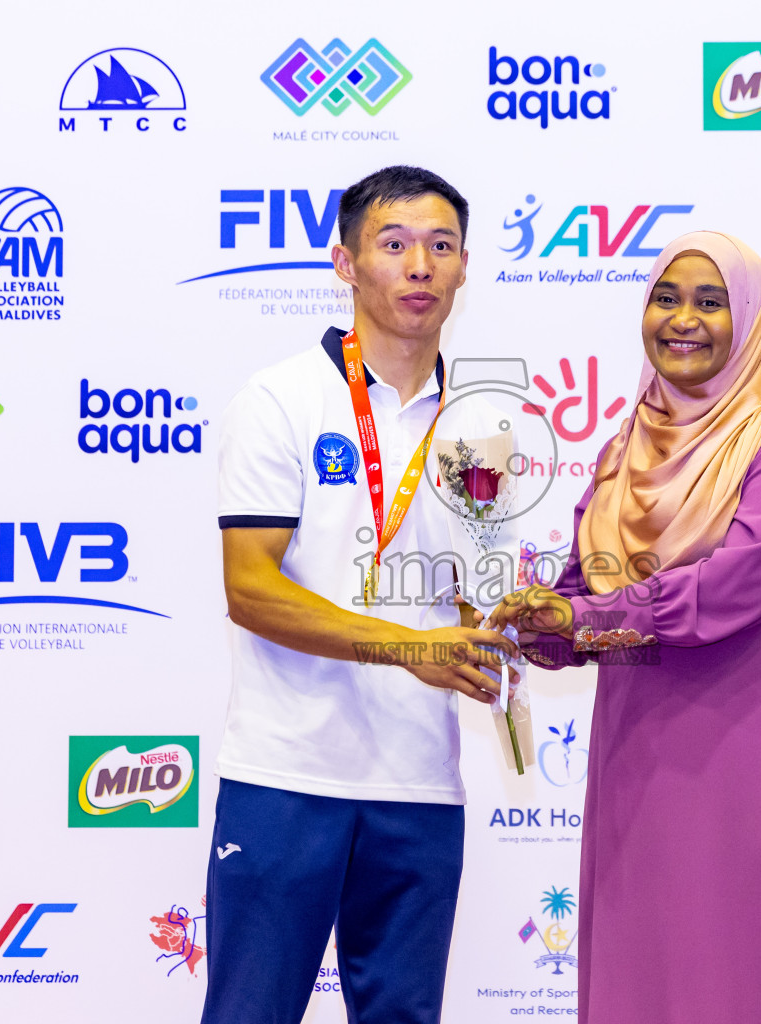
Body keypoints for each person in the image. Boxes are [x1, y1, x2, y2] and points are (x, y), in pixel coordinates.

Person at [486, 232, 761, 1023]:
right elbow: (585, 594)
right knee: (654, 984)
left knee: (759, 979)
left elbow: (737, 586)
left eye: (711, 303)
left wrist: (588, 615)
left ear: (750, 319)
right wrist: (538, 623)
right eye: (668, 299)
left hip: (752, 753)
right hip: (640, 766)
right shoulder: (624, 449)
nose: (684, 320)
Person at [204, 165, 517, 1024]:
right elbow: (251, 589)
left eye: (441, 246)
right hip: (286, 774)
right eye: (394, 244)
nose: (420, 265)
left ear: (463, 267)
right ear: (345, 262)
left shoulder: (482, 424)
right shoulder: (281, 400)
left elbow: (477, 597)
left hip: (419, 782)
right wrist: (406, 647)